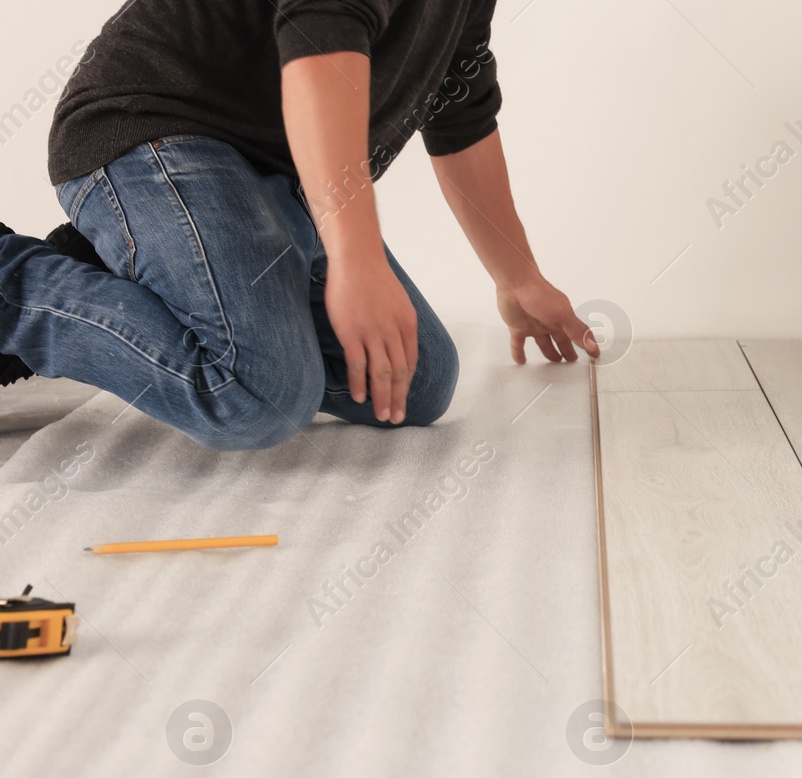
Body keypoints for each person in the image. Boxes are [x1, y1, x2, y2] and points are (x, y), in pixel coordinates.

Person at [0, 0, 597, 450]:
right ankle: (13, 285)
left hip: (274, 173)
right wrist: (357, 264)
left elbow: (459, 100)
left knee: (418, 385)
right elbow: (319, 60)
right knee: (257, 395)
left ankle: (125, 254)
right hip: (152, 123)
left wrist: (517, 278)